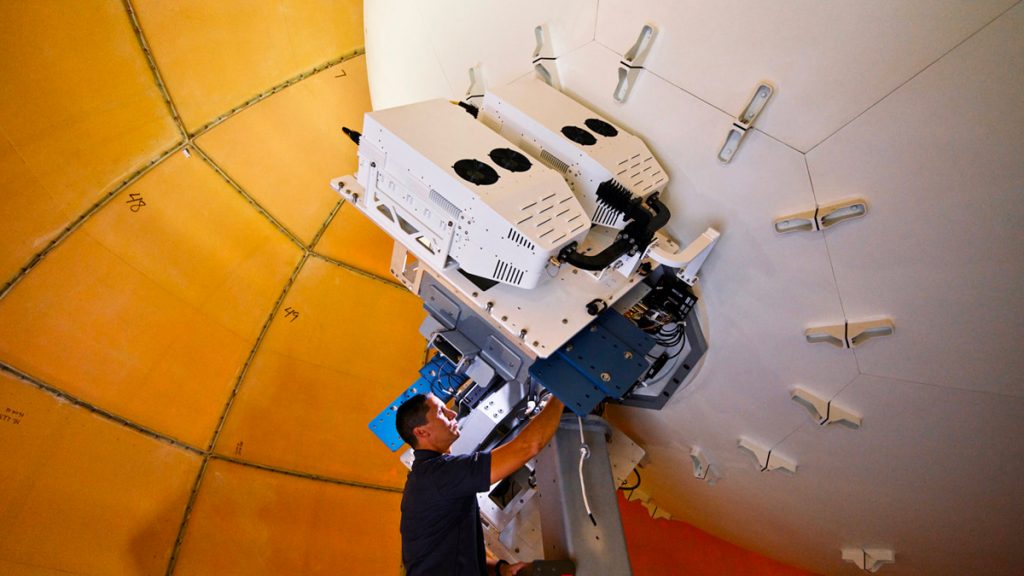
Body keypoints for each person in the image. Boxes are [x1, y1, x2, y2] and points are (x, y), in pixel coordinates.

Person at [396, 391, 565, 576]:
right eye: (441, 412)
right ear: (421, 432)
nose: (452, 414)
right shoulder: (436, 475)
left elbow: (454, 558)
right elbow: (528, 446)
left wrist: (501, 569)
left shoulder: (427, 476)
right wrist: (561, 395)